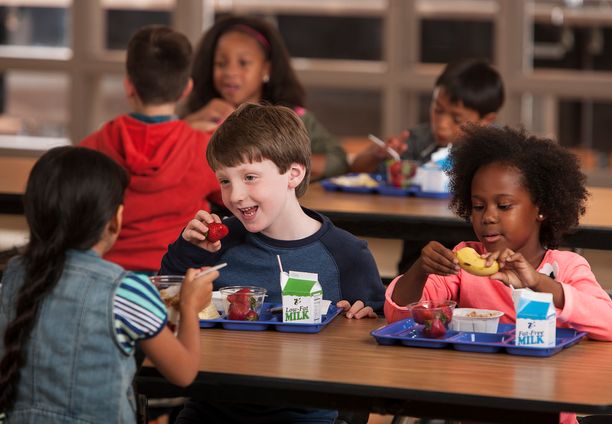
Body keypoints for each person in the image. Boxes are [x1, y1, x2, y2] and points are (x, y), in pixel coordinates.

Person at [161, 103, 386, 423]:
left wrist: (367, 318)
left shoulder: (346, 255)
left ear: (293, 174)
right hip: (212, 409)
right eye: (225, 181)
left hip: (305, 416)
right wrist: (189, 250)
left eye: (250, 177)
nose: (236, 195)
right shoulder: (216, 245)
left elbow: (375, 343)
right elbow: (165, 311)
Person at [384, 125, 612, 424]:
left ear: (541, 209)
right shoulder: (464, 263)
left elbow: (610, 323)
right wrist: (420, 269)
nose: (488, 217)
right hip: (474, 409)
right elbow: (400, 316)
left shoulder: (566, 267)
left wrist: (538, 283)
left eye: (504, 205)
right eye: (478, 206)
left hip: (544, 414)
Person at [0, 146, 218, 423]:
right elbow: (183, 373)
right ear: (115, 220)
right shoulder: (127, 289)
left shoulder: (13, 276)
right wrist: (189, 304)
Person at [80, 25, 223, 273]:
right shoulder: (205, 149)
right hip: (178, 281)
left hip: (107, 280)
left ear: (128, 86)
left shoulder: (92, 148)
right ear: (186, 89)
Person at [351, 58, 505, 275]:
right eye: (438, 110)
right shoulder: (420, 139)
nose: (441, 124)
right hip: (418, 254)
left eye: (456, 118)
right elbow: (358, 170)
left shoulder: (498, 150)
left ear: (486, 120)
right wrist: (377, 155)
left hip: (478, 254)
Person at [181, 15, 349, 180]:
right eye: (220, 63)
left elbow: (338, 161)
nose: (230, 72)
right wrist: (187, 125)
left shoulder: (295, 118)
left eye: (243, 63)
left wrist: (276, 162)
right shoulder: (202, 116)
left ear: (266, 69)